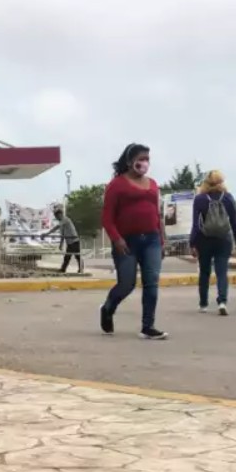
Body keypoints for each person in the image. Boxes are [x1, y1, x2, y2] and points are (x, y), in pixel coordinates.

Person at [99, 143, 167, 340]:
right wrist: (117, 239)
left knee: (151, 283)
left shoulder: (153, 184)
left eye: (147, 159)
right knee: (127, 284)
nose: (145, 163)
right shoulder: (117, 185)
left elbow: (157, 214)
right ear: (130, 162)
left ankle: (148, 326)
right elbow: (107, 218)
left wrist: (162, 241)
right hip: (127, 241)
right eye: (141, 159)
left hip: (152, 239)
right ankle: (108, 308)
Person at [191, 170, 236, 316]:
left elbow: (196, 224)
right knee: (221, 272)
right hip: (223, 240)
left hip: (204, 240)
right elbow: (234, 221)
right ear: (221, 182)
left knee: (205, 272)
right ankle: (222, 302)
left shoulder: (200, 199)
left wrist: (192, 243)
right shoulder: (228, 197)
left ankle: (203, 304)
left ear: (206, 183)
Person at [54, 205, 83, 274]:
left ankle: (80, 269)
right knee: (67, 257)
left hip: (74, 241)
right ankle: (63, 269)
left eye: (57, 216)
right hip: (70, 242)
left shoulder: (65, 219)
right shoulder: (62, 223)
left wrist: (47, 234)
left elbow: (56, 227)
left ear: (60, 214)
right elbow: (62, 235)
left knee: (77, 256)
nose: (57, 218)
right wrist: (61, 244)